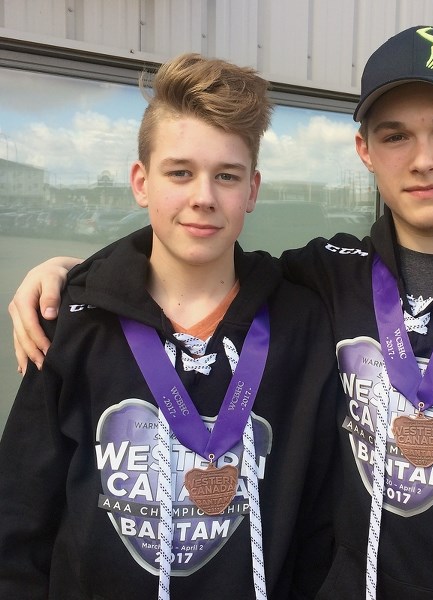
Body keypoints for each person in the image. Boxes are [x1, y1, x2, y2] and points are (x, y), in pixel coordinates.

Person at [8, 25, 433, 599]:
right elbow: (192, 253)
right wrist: (76, 276)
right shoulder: (328, 276)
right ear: (364, 149)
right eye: (394, 136)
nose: (424, 160)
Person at [0, 53, 340, 599]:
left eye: (226, 176)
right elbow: (18, 518)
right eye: (180, 172)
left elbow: (321, 523)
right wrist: (78, 276)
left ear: (252, 190)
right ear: (141, 182)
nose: (203, 196)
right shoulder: (75, 324)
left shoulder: (303, 327)